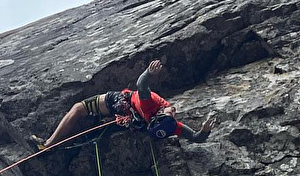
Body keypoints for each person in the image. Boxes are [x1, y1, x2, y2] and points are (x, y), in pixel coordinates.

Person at [31, 59, 216, 150]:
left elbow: (142, 86)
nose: (173, 111)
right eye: (173, 114)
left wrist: (149, 73)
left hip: (119, 103)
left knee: (79, 108)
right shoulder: (171, 127)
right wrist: (205, 130)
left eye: (170, 113)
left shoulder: (151, 105)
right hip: (130, 119)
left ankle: (48, 144)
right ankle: (107, 121)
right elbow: (196, 138)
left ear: (161, 114)